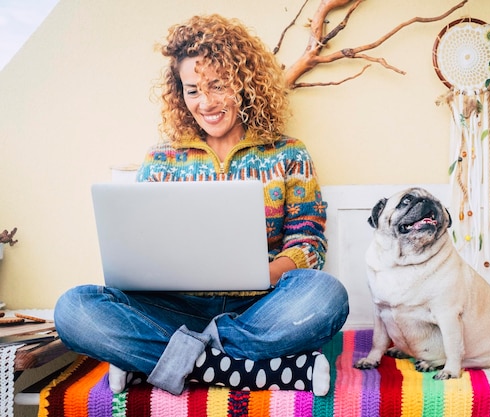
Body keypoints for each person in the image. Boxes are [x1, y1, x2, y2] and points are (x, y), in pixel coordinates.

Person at [54, 14, 349, 397]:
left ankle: (153, 360)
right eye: (192, 90)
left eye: (217, 85)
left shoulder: (287, 153)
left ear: (244, 84)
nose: (205, 102)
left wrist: (267, 272)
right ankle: (250, 369)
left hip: (259, 308)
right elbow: (140, 247)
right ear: (180, 94)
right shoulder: (161, 160)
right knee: (74, 309)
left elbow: (309, 243)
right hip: (174, 308)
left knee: (327, 296)